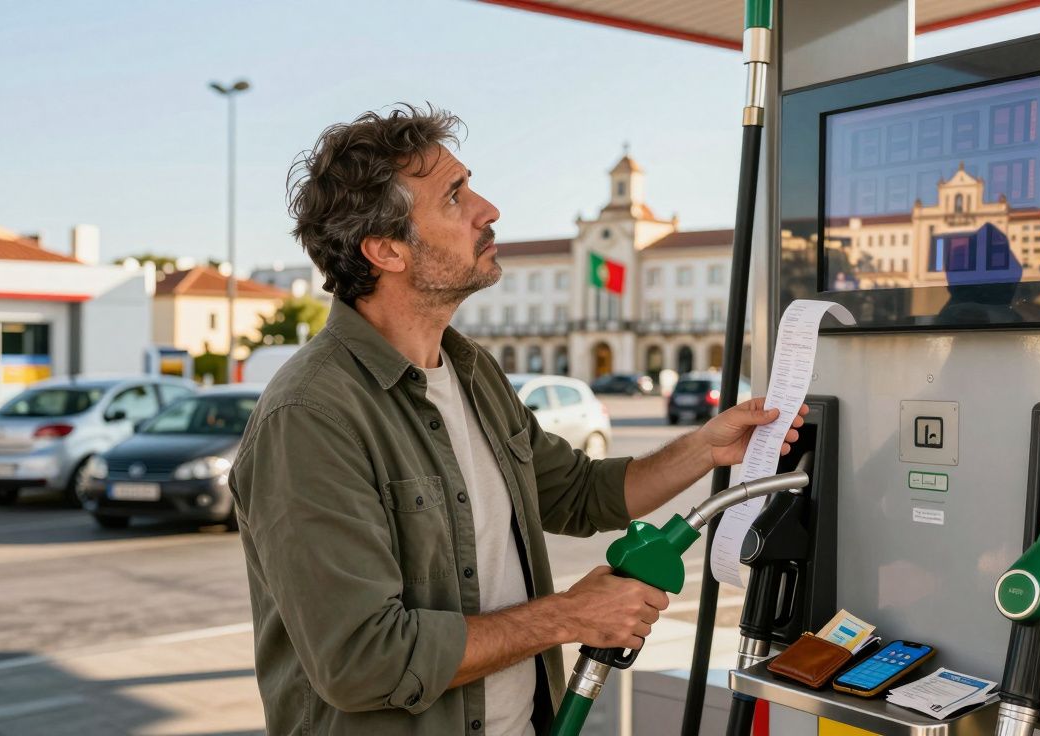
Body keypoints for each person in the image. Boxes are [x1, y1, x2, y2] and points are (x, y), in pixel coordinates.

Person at [229, 104, 807, 735]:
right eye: (454, 198)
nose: (489, 210)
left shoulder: (471, 372)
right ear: (386, 250)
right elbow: (363, 661)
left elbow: (579, 494)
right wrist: (568, 616)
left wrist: (705, 447)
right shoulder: (312, 417)